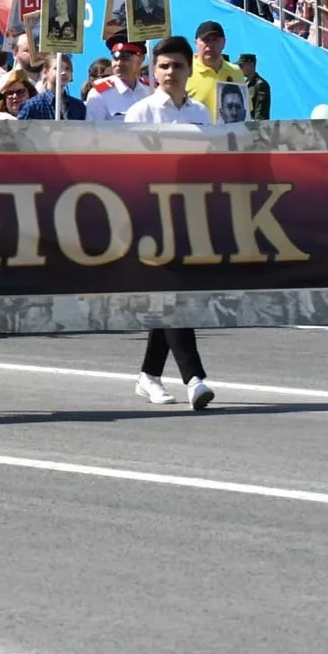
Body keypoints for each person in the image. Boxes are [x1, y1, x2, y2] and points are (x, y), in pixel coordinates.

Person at [123, 36, 218, 410]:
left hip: (189, 213)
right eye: (163, 66)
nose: (170, 73)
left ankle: (148, 375)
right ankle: (195, 378)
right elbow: (126, 167)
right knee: (172, 293)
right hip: (150, 215)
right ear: (153, 71)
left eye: (177, 66)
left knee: (172, 296)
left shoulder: (200, 114)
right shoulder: (141, 113)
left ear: (188, 69)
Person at [185, 20, 245, 119]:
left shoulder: (236, 72)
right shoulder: (185, 72)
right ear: (196, 43)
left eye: (215, 40)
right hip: (198, 133)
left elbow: (245, 109)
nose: (211, 45)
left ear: (224, 43)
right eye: (206, 40)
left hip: (230, 133)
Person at [84, 39, 154, 121]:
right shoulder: (99, 94)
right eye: (115, 58)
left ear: (141, 58)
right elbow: (93, 131)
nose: (119, 64)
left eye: (125, 58)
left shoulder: (150, 90)